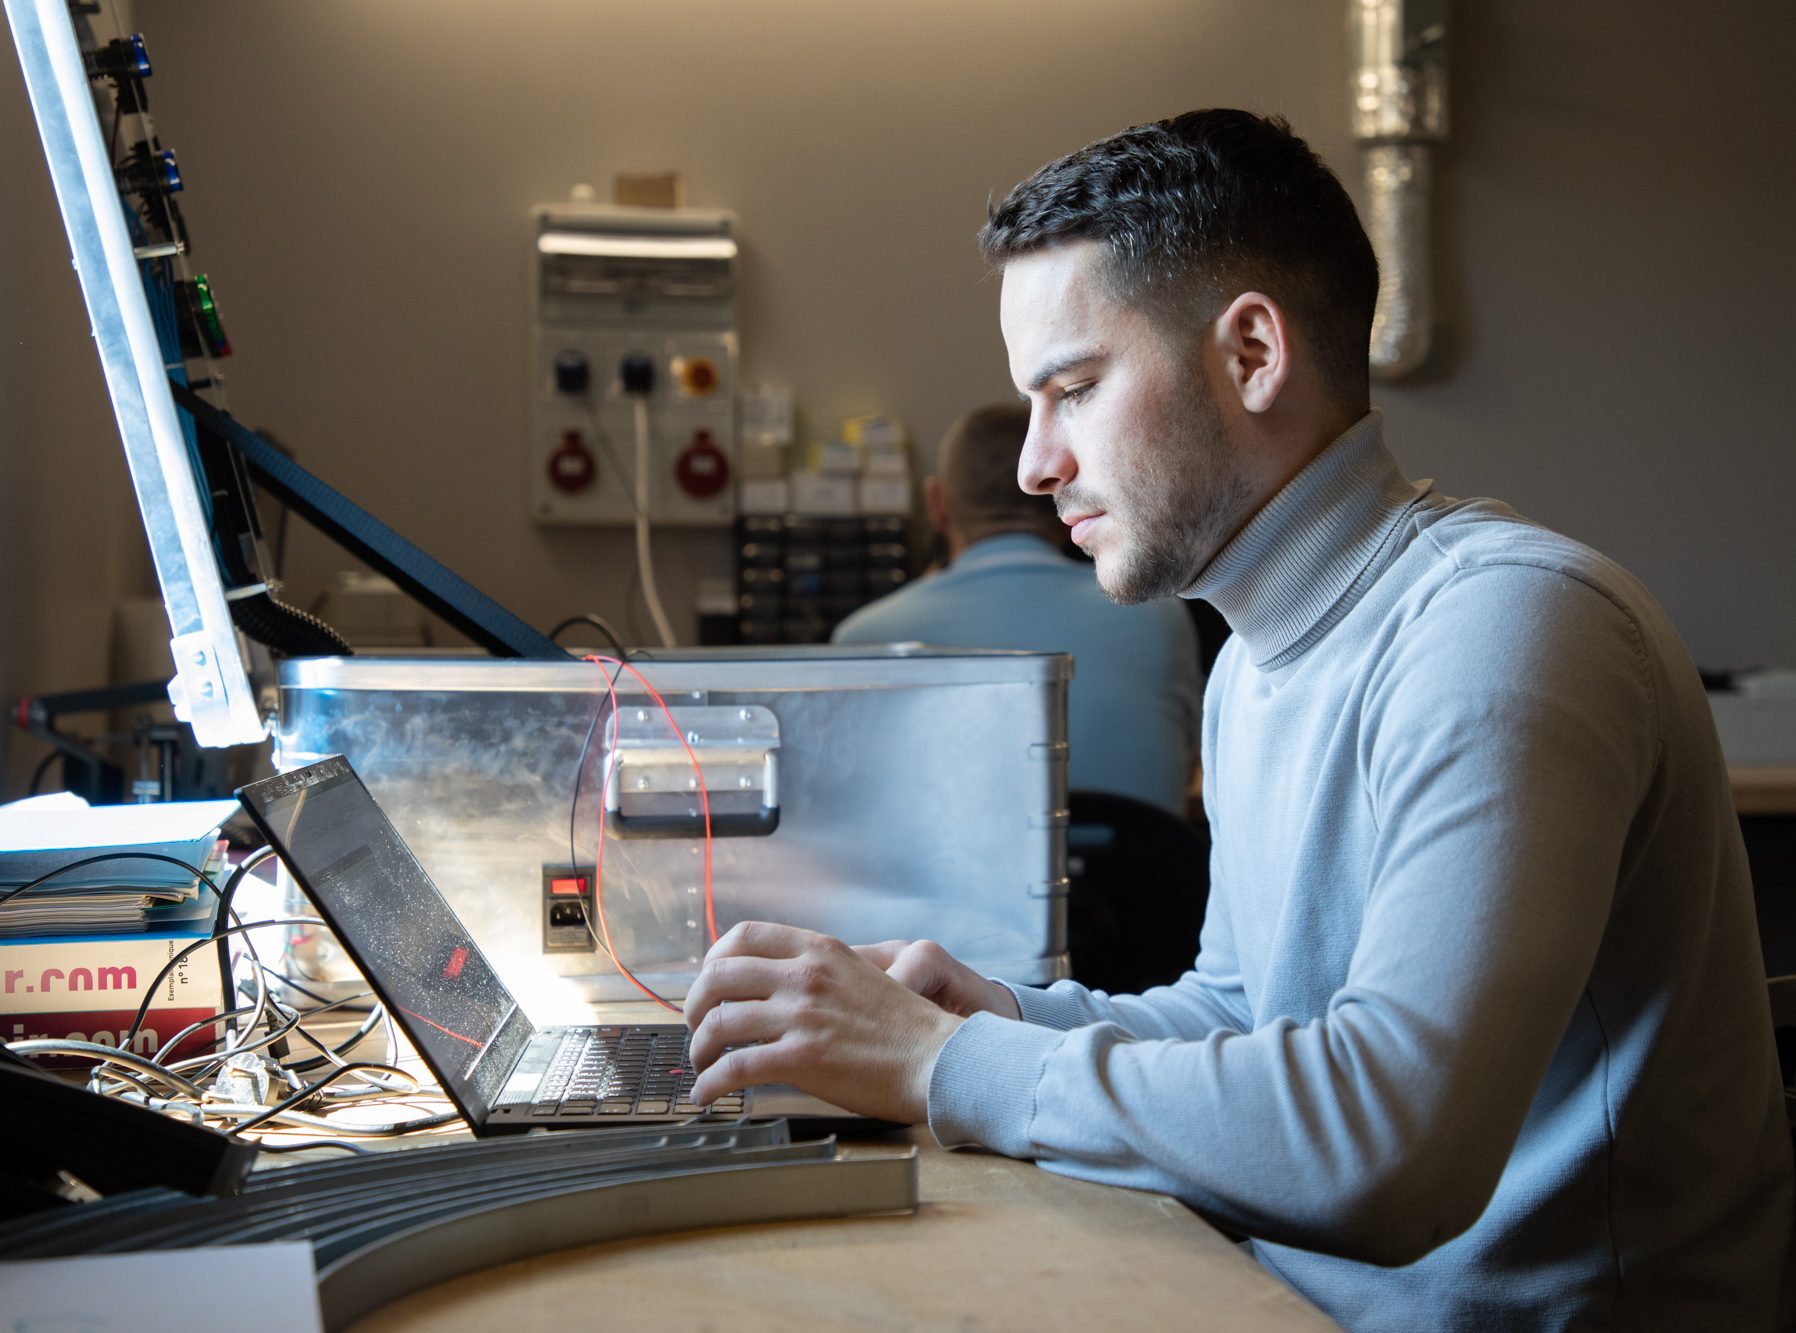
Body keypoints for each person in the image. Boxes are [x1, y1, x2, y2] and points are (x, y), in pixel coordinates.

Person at [683, 110, 1794, 1328]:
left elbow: (1390, 1149)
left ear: (1252, 352)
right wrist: (990, 1014)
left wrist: (940, 1065)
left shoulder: (1507, 627)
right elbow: (1238, 1013)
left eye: (1074, 388)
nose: (1032, 465)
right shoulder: (1251, 660)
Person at [831, 402, 1203, 816]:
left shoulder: (863, 641)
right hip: (1140, 880)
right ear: (1064, 495)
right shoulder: (1157, 616)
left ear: (937, 504)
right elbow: (1190, 759)